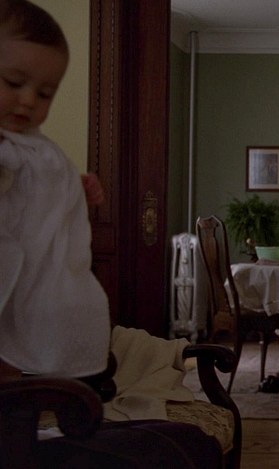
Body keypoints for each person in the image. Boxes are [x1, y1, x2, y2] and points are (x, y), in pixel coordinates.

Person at [0, 0, 110, 381]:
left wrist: (73, 190)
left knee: (79, 314)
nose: (29, 100)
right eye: (13, 83)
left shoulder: (36, 146)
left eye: (45, 93)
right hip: (10, 282)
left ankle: (64, 377)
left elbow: (38, 199)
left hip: (45, 282)